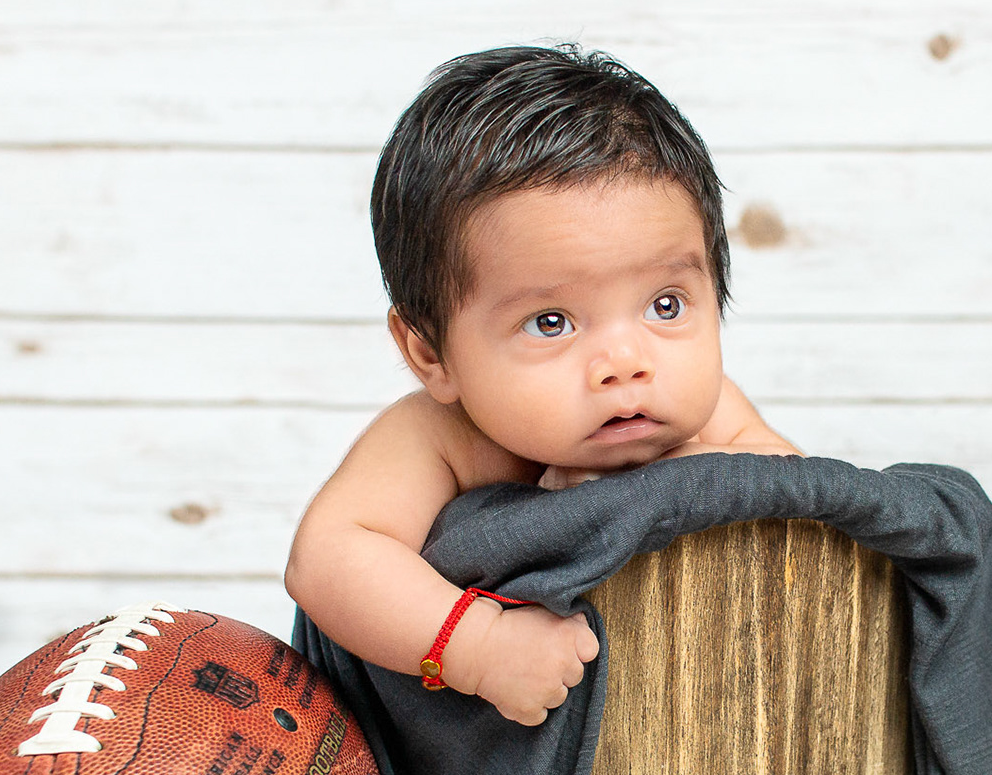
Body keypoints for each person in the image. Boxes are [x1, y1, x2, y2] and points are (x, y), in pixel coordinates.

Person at [285, 45, 800, 728]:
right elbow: (329, 558)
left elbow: (799, 497)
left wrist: (691, 478)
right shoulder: (438, 439)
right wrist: (477, 645)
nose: (625, 362)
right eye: (551, 322)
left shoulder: (708, 416)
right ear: (429, 352)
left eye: (665, 306)